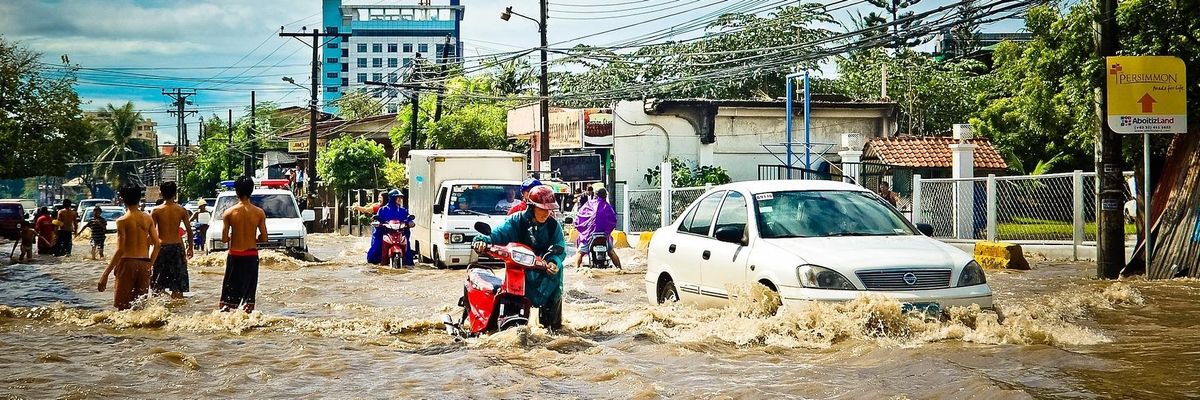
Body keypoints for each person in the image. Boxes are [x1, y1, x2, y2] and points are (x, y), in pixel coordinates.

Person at [473, 185, 566, 330]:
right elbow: (497, 234)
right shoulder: (515, 221)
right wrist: (482, 240)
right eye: (542, 209)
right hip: (521, 270)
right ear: (531, 207)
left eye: (549, 209)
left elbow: (560, 248)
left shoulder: (554, 226)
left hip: (547, 272)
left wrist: (554, 262)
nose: (546, 213)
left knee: (553, 326)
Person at [97, 184, 160, 310]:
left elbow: (120, 250)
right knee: (140, 307)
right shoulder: (147, 218)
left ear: (123, 199)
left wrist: (105, 274)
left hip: (127, 264)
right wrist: (150, 265)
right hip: (144, 263)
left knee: (123, 308)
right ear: (139, 198)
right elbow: (157, 245)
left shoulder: (122, 221)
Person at [219, 176, 268, 312]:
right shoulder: (259, 213)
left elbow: (224, 239)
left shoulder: (229, 213)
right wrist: (254, 238)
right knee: (248, 297)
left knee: (228, 298)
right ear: (251, 191)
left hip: (234, 255)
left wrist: (232, 236)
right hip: (251, 256)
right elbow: (264, 238)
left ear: (236, 191)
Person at [150, 182, 193, 299]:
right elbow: (189, 231)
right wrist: (190, 248)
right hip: (176, 248)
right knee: (178, 286)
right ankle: (178, 312)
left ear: (161, 193)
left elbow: (151, 233)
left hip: (161, 248)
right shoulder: (181, 210)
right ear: (175, 193)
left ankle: (157, 312)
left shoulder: (156, 210)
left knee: (157, 285)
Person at [572, 188, 622, 269]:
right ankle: (620, 269)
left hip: (589, 235)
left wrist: (578, 225)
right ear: (605, 196)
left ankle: (576, 269)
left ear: (595, 195)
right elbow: (613, 220)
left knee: (580, 252)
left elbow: (579, 217)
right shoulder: (608, 206)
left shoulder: (588, 204)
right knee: (611, 252)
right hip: (604, 235)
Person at [366, 190, 413, 266]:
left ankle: (408, 262)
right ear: (391, 198)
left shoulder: (403, 210)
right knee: (377, 245)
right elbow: (377, 219)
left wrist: (410, 222)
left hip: (400, 233)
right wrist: (378, 223)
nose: (399, 200)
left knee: (407, 246)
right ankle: (374, 261)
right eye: (397, 198)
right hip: (385, 232)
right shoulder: (383, 209)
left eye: (400, 198)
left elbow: (408, 219)